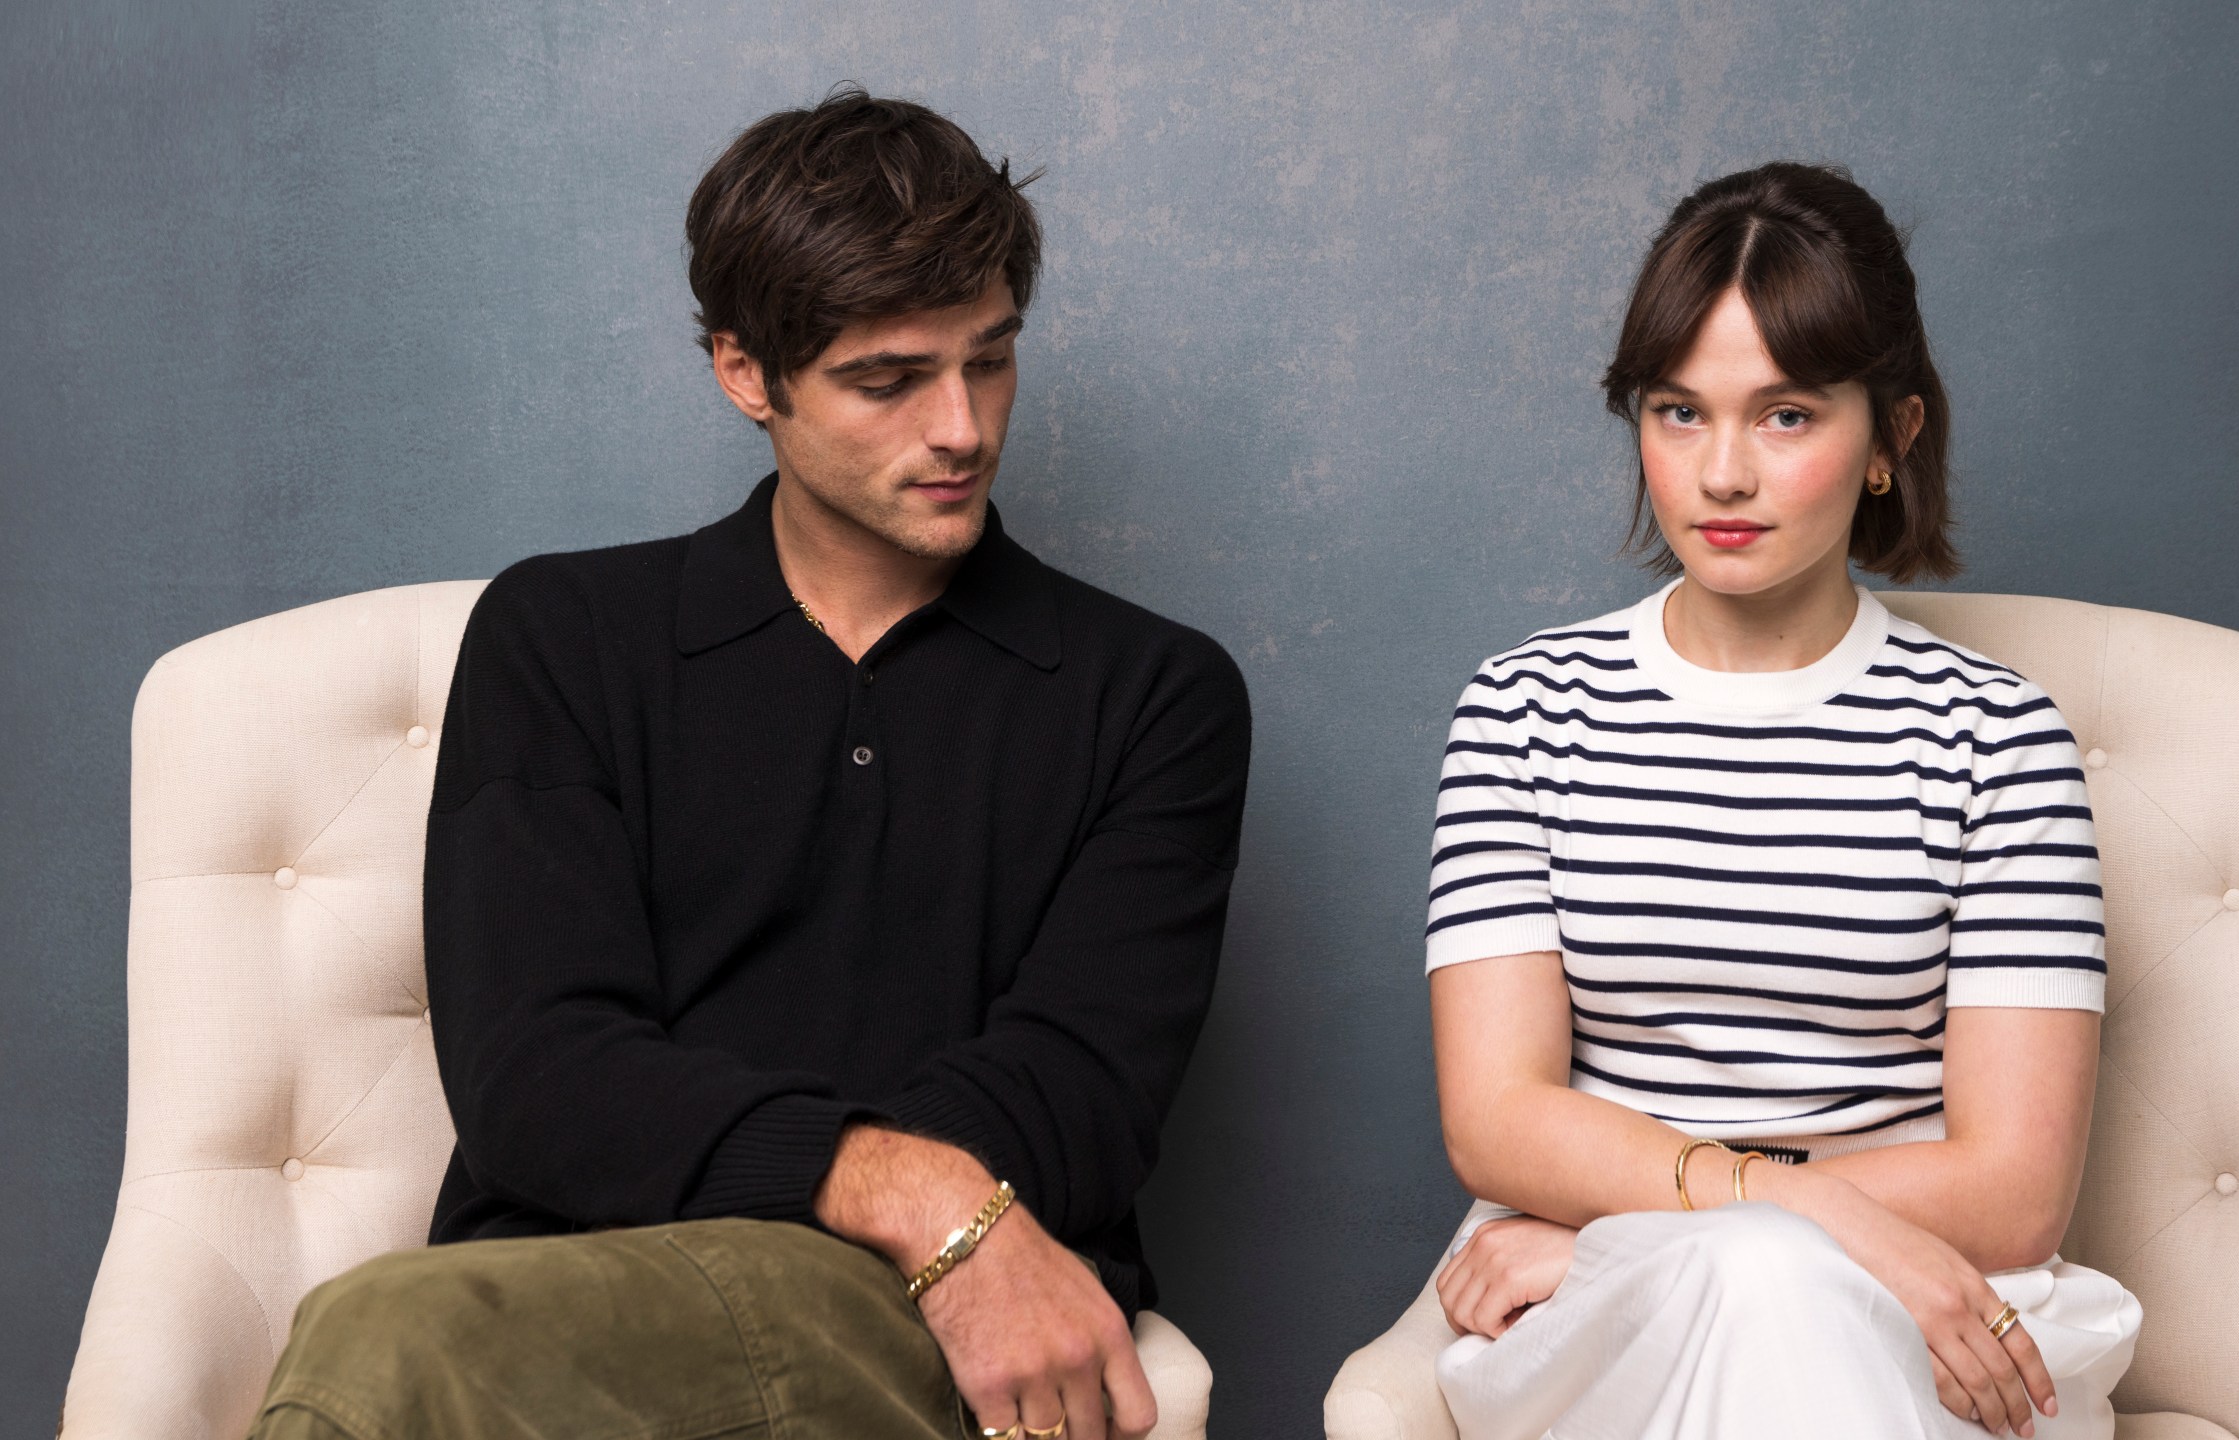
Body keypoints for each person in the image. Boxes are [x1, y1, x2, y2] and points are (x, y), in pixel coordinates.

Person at [247, 89, 1250, 1440]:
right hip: (565, 1295)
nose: (960, 427)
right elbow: (537, 1079)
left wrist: (907, 1218)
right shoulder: (565, 639)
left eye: (991, 358)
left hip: (922, 1316)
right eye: (888, 380)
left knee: (378, 1346)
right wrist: (913, 1187)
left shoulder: (1152, 694)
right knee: (403, 1342)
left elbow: (1079, 1093)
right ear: (744, 372)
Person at [1422, 163, 2141, 1439]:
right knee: (1755, 1276)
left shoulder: (1997, 736)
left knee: (1768, 1285)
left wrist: (1677, 1223)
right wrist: (1755, 1223)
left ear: (1893, 438)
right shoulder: (1525, 709)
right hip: (1596, 1307)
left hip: (1927, 1308)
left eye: (1788, 416)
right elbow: (1496, 1119)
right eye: (1678, 412)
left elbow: (2019, 1189)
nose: (1722, 473)